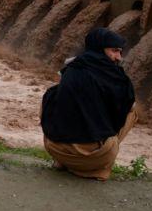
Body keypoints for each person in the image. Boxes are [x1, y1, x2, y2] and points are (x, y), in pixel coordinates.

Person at [41, 28, 137, 181]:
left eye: (120, 52)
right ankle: (97, 170)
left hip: (56, 150)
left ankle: (62, 162)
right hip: (93, 157)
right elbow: (127, 106)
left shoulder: (71, 68)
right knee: (132, 111)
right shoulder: (114, 76)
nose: (118, 57)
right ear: (99, 48)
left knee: (51, 95)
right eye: (114, 51)